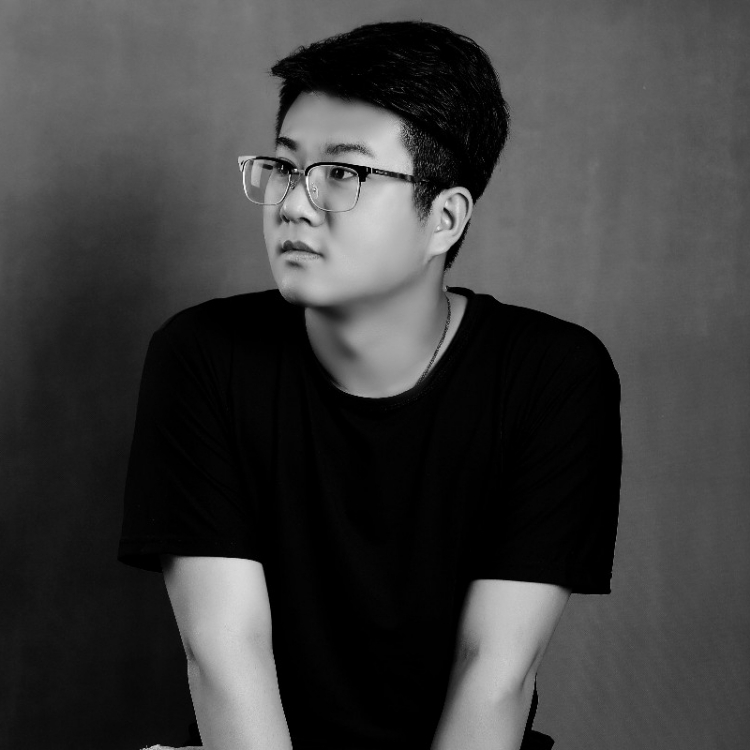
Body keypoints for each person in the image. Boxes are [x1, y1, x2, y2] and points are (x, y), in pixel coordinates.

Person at [118, 19, 622, 750]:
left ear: (444, 218)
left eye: (344, 174)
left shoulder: (550, 376)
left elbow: (496, 671)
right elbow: (226, 654)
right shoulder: (203, 356)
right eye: (285, 166)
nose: (293, 203)